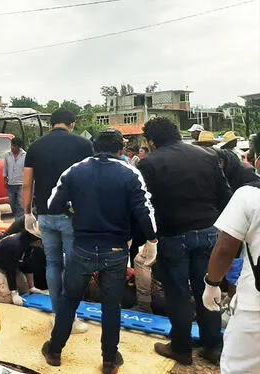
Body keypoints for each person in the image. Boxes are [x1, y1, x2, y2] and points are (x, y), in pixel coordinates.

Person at [42, 129, 157, 374]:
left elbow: (52, 205)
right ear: (120, 150)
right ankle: (109, 360)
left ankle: (54, 351)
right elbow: (144, 210)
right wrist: (152, 240)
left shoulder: (75, 170)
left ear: (95, 147)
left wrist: (74, 209)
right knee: (111, 306)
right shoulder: (129, 172)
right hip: (115, 249)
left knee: (69, 300)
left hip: (82, 247)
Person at [138, 117, 231, 366]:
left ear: (152, 141)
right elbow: (224, 194)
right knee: (208, 289)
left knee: (177, 294)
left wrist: (148, 236)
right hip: (208, 231)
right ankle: (213, 346)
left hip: (173, 235)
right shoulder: (207, 156)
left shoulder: (150, 164)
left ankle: (181, 348)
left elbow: (146, 206)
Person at [23, 108, 94, 335]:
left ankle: (57, 315)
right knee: (73, 266)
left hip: (44, 215)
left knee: (53, 263)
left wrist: (27, 212)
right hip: (72, 215)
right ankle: (69, 319)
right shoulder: (83, 145)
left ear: (52, 123)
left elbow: (27, 184)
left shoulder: (35, 146)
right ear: (71, 124)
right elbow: (90, 180)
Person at [202, 156, 260, 373]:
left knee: (239, 366)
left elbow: (225, 248)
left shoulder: (249, 195)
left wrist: (211, 284)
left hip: (254, 305)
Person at [0, 222, 46, 306]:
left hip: (11, 267)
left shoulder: (30, 244)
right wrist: (14, 293)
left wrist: (31, 287)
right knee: (7, 297)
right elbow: (10, 270)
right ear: (38, 241)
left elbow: (29, 265)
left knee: (24, 291)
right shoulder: (14, 245)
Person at [4, 137, 26, 219]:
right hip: (11, 184)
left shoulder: (25, 156)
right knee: (12, 204)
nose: (12, 147)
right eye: (12, 145)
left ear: (19, 146)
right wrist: (5, 179)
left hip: (21, 184)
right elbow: (5, 168)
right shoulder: (7, 155)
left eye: (15, 146)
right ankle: (17, 219)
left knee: (20, 205)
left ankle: (19, 223)